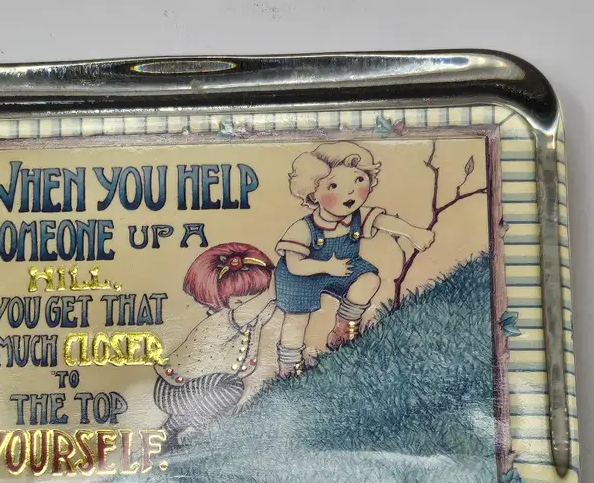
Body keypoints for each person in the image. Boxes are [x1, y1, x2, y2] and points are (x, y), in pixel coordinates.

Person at [274, 140, 435, 377]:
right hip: (301, 276)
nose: (349, 193)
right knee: (297, 319)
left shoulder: (357, 216)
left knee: (369, 279)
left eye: (359, 180)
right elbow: (295, 265)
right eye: (334, 185)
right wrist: (327, 266)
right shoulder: (303, 228)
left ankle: (343, 329)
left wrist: (412, 232)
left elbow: (384, 221)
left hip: (342, 266)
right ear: (312, 193)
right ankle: (289, 365)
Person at [154, 243, 276, 445]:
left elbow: (271, 307)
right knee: (232, 387)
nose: (252, 304)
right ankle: (197, 430)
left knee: (215, 395)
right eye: (241, 301)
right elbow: (253, 309)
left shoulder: (255, 318)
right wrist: (270, 293)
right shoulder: (224, 319)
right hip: (174, 388)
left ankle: (167, 436)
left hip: (200, 387)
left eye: (256, 296)